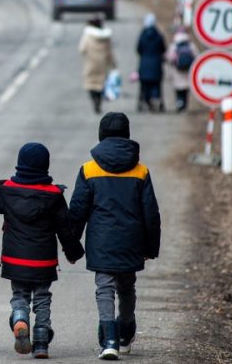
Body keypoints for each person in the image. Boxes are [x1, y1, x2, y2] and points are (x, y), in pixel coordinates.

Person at [69, 112, 161, 360]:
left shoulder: (89, 169)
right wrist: (151, 248)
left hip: (101, 241)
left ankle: (108, 339)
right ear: (127, 135)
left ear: (101, 135)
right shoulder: (141, 171)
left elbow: (77, 211)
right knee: (127, 286)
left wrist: (71, 245)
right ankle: (126, 330)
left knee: (104, 288)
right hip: (132, 240)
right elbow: (151, 213)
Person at [0, 142, 85, 359]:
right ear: (45, 166)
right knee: (42, 298)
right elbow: (65, 229)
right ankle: (41, 342)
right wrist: (73, 252)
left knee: (19, 294)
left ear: (19, 165)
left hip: (15, 260)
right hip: (43, 261)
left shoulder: (6, 190)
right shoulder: (53, 195)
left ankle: (20, 318)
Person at [79, 17, 117, 114]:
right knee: (101, 84)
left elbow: (82, 49)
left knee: (91, 84)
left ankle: (94, 100)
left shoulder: (87, 36)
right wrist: (113, 65)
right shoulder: (106, 38)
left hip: (91, 64)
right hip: (103, 64)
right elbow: (110, 52)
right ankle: (99, 101)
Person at [136, 13, 166, 112]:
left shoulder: (142, 35)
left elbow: (138, 49)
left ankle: (147, 101)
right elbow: (163, 49)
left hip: (144, 64)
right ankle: (155, 99)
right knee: (156, 84)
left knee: (145, 85)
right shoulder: (159, 35)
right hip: (156, 64)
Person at [166, 30, 198, 112]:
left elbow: (169, 58)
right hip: (188, 71)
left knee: (178, 89)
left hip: (177, 71)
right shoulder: (191, 45)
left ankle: (179, 102)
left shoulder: (174, 46)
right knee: (185, 90)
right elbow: (197, 57)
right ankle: (184, 104)